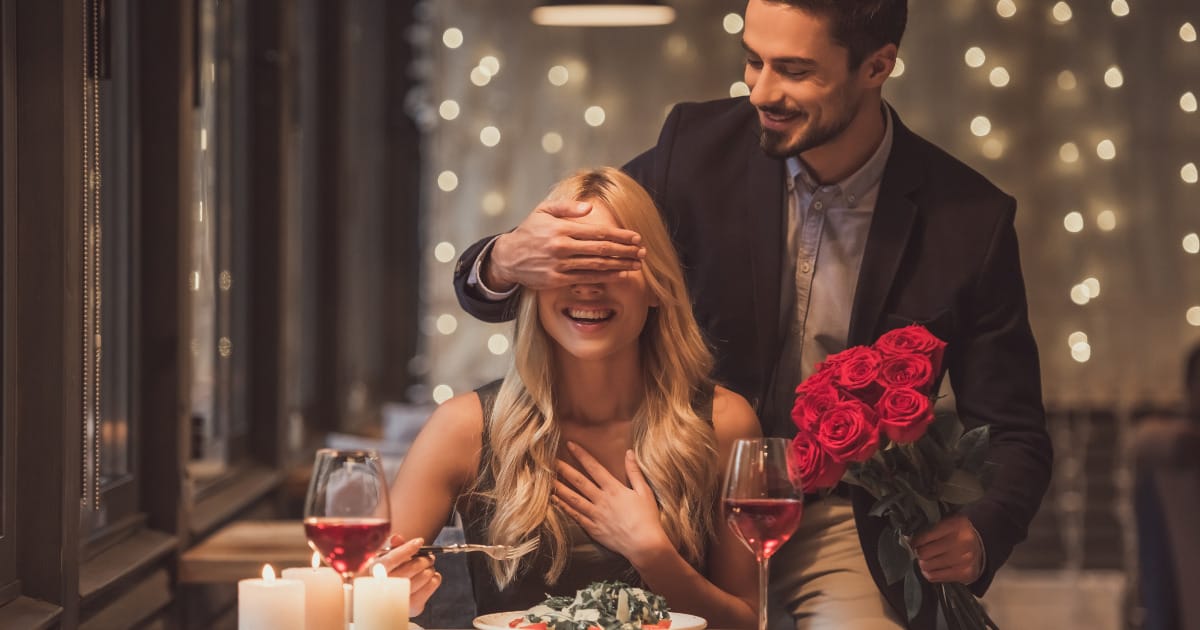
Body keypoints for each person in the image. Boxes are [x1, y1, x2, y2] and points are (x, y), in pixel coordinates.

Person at [452, 1, 1053, 628]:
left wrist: (983, 531)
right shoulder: (693, 148)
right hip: (682, 498)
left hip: (836, 519)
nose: (761, 91)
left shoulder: (970, 222)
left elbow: (1015, 430)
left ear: (877, 66)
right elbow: (574, 268)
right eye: (753, 61)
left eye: (794, 70)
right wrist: (502, 260)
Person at [381, 167, 760, 629]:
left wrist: (653, 554)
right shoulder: (463, 427)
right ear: (532, 284)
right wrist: (393, 592)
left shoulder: (725, 423)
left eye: (610, 262)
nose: (587, 286)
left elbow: (746, 624)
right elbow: (367, 588)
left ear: (658, 286)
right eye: (566, 264)